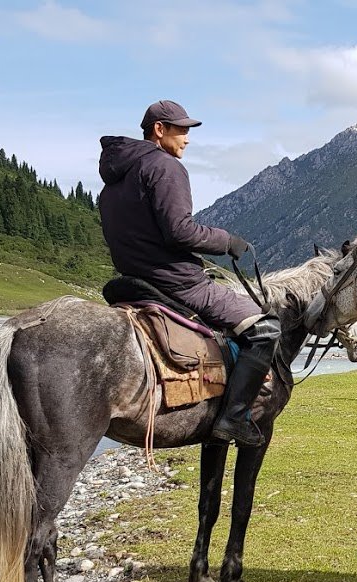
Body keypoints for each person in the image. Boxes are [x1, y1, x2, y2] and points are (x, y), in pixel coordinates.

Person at [97, 99, 279, 447]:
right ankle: (234, 419)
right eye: (180, 129)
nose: (187, 138)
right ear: (159, 130)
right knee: (265, 328)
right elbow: (179, 231)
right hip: (176, 281)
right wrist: (228, 242)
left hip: (134, 282)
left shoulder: (112, 183)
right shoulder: (165, 168)